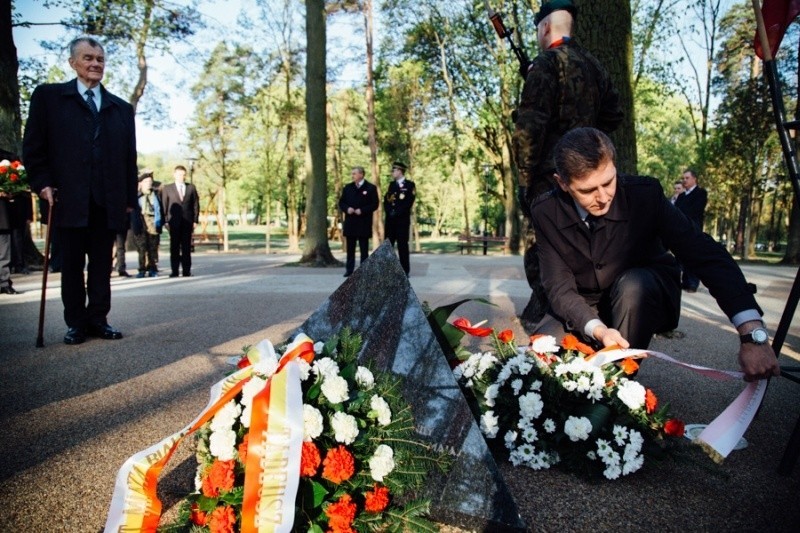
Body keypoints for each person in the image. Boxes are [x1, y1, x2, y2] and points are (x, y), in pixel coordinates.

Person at [529, 127, 778, 382]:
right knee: (540, 365)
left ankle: (615, 387)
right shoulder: (545, 211)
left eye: (608, 182)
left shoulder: (644, 195)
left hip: (643, 290)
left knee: (633, 286)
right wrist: (598, 330)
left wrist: (751, 332)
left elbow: (704, 253)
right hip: (584, 302)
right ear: (562, 183)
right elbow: (558, 287)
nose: (603, 198)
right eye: (588, 190)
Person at [513, 0, 624, 329]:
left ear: (545, 27)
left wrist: (524, 179)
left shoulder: (546, 64)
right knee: (578, 241)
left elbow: (529, 128)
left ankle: (543, 310)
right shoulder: (595, 66)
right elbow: (614, 115)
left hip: (551, 175)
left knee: (543, 243)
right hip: (586, 174)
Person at [23, 36, 137, 344]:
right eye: (88, 58)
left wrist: (128, 200)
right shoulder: (49, 98)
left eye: (99, 59)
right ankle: (76, 323)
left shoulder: (121, 109)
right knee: (71, 265)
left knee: (101, 265)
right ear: (73, 63)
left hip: (106, 200)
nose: (95, 64)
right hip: (67, 198)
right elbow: (34, 148)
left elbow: (129, 159)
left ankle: (98, 319)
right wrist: (42, 182)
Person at [339, 166, 379, 277]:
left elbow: (375, 204)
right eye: (352, 174)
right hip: (350, 222)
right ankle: (349, 270)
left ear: (361, 174)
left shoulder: (371, 188)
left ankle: (364, 271)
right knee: (350, 249)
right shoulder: (348, 188)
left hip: (363, 222)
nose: (352, 176)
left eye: (354, 173)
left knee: (364, 249)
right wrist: (347, 209)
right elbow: (341, 203)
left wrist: (362, 210)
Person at [160, 165, 199, 277]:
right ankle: (175, 270)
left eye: (183, 174)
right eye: (179, 174)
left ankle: (187, 270)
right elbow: (164, 205)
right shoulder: (167, 188)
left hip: (187, 222)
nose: (181, 176)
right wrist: (166, 221)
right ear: (174, 175)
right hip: (173, 222)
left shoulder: (191, 188)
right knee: (174, 247)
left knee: (186, 247)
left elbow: (195, 204)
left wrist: (195, 220)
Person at [674, 169, 708, 293]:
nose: (684, 181)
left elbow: (696, 210)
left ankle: (692, 282)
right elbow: (676, 211)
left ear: (694, 179)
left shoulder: (700, 193)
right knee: (681, 256)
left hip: (693, 230)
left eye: (687, 178)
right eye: (683, 178)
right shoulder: (681, 196)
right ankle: (684, 281)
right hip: (680, 230)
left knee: (693, 256)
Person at [383, 161, 415, 276]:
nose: (392, 173)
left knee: (402, 245)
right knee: (388, 245)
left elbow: (408, 202)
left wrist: (397, 212)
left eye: (394, 170)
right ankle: (388, 270)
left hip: (402, 220)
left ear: (400, 171)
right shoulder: (392, 185)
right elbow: (386, 200)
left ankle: (404, 270)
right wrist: (389, 211)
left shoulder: (410, 185)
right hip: (390, 220)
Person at [133, 169, 163, 278]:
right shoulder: (136, 196)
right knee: (141, 249)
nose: (149, 183)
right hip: (140, 224)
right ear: (141, 183)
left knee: (153, 249)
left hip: (153, 224)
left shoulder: (156, 194)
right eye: (146, 182)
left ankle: (152, 269)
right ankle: (142, 269)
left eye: (150, 181)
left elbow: (160, 210)